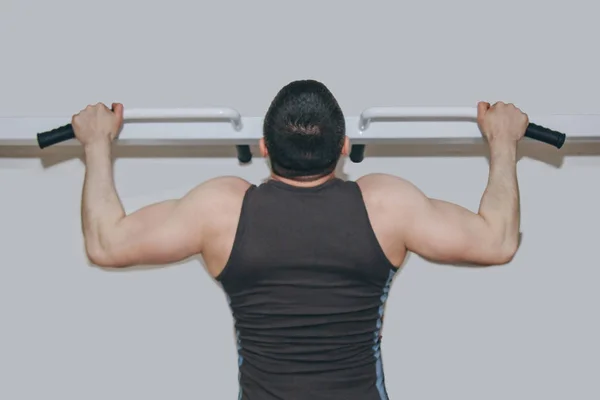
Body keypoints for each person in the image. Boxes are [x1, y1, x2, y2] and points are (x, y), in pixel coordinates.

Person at [72, 80, 527, 400]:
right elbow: (496, 240)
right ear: (344, 145)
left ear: (264, 147)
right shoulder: (386, 204)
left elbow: (106, 243)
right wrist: (503, 142)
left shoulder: (222, 209)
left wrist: (96, 143)